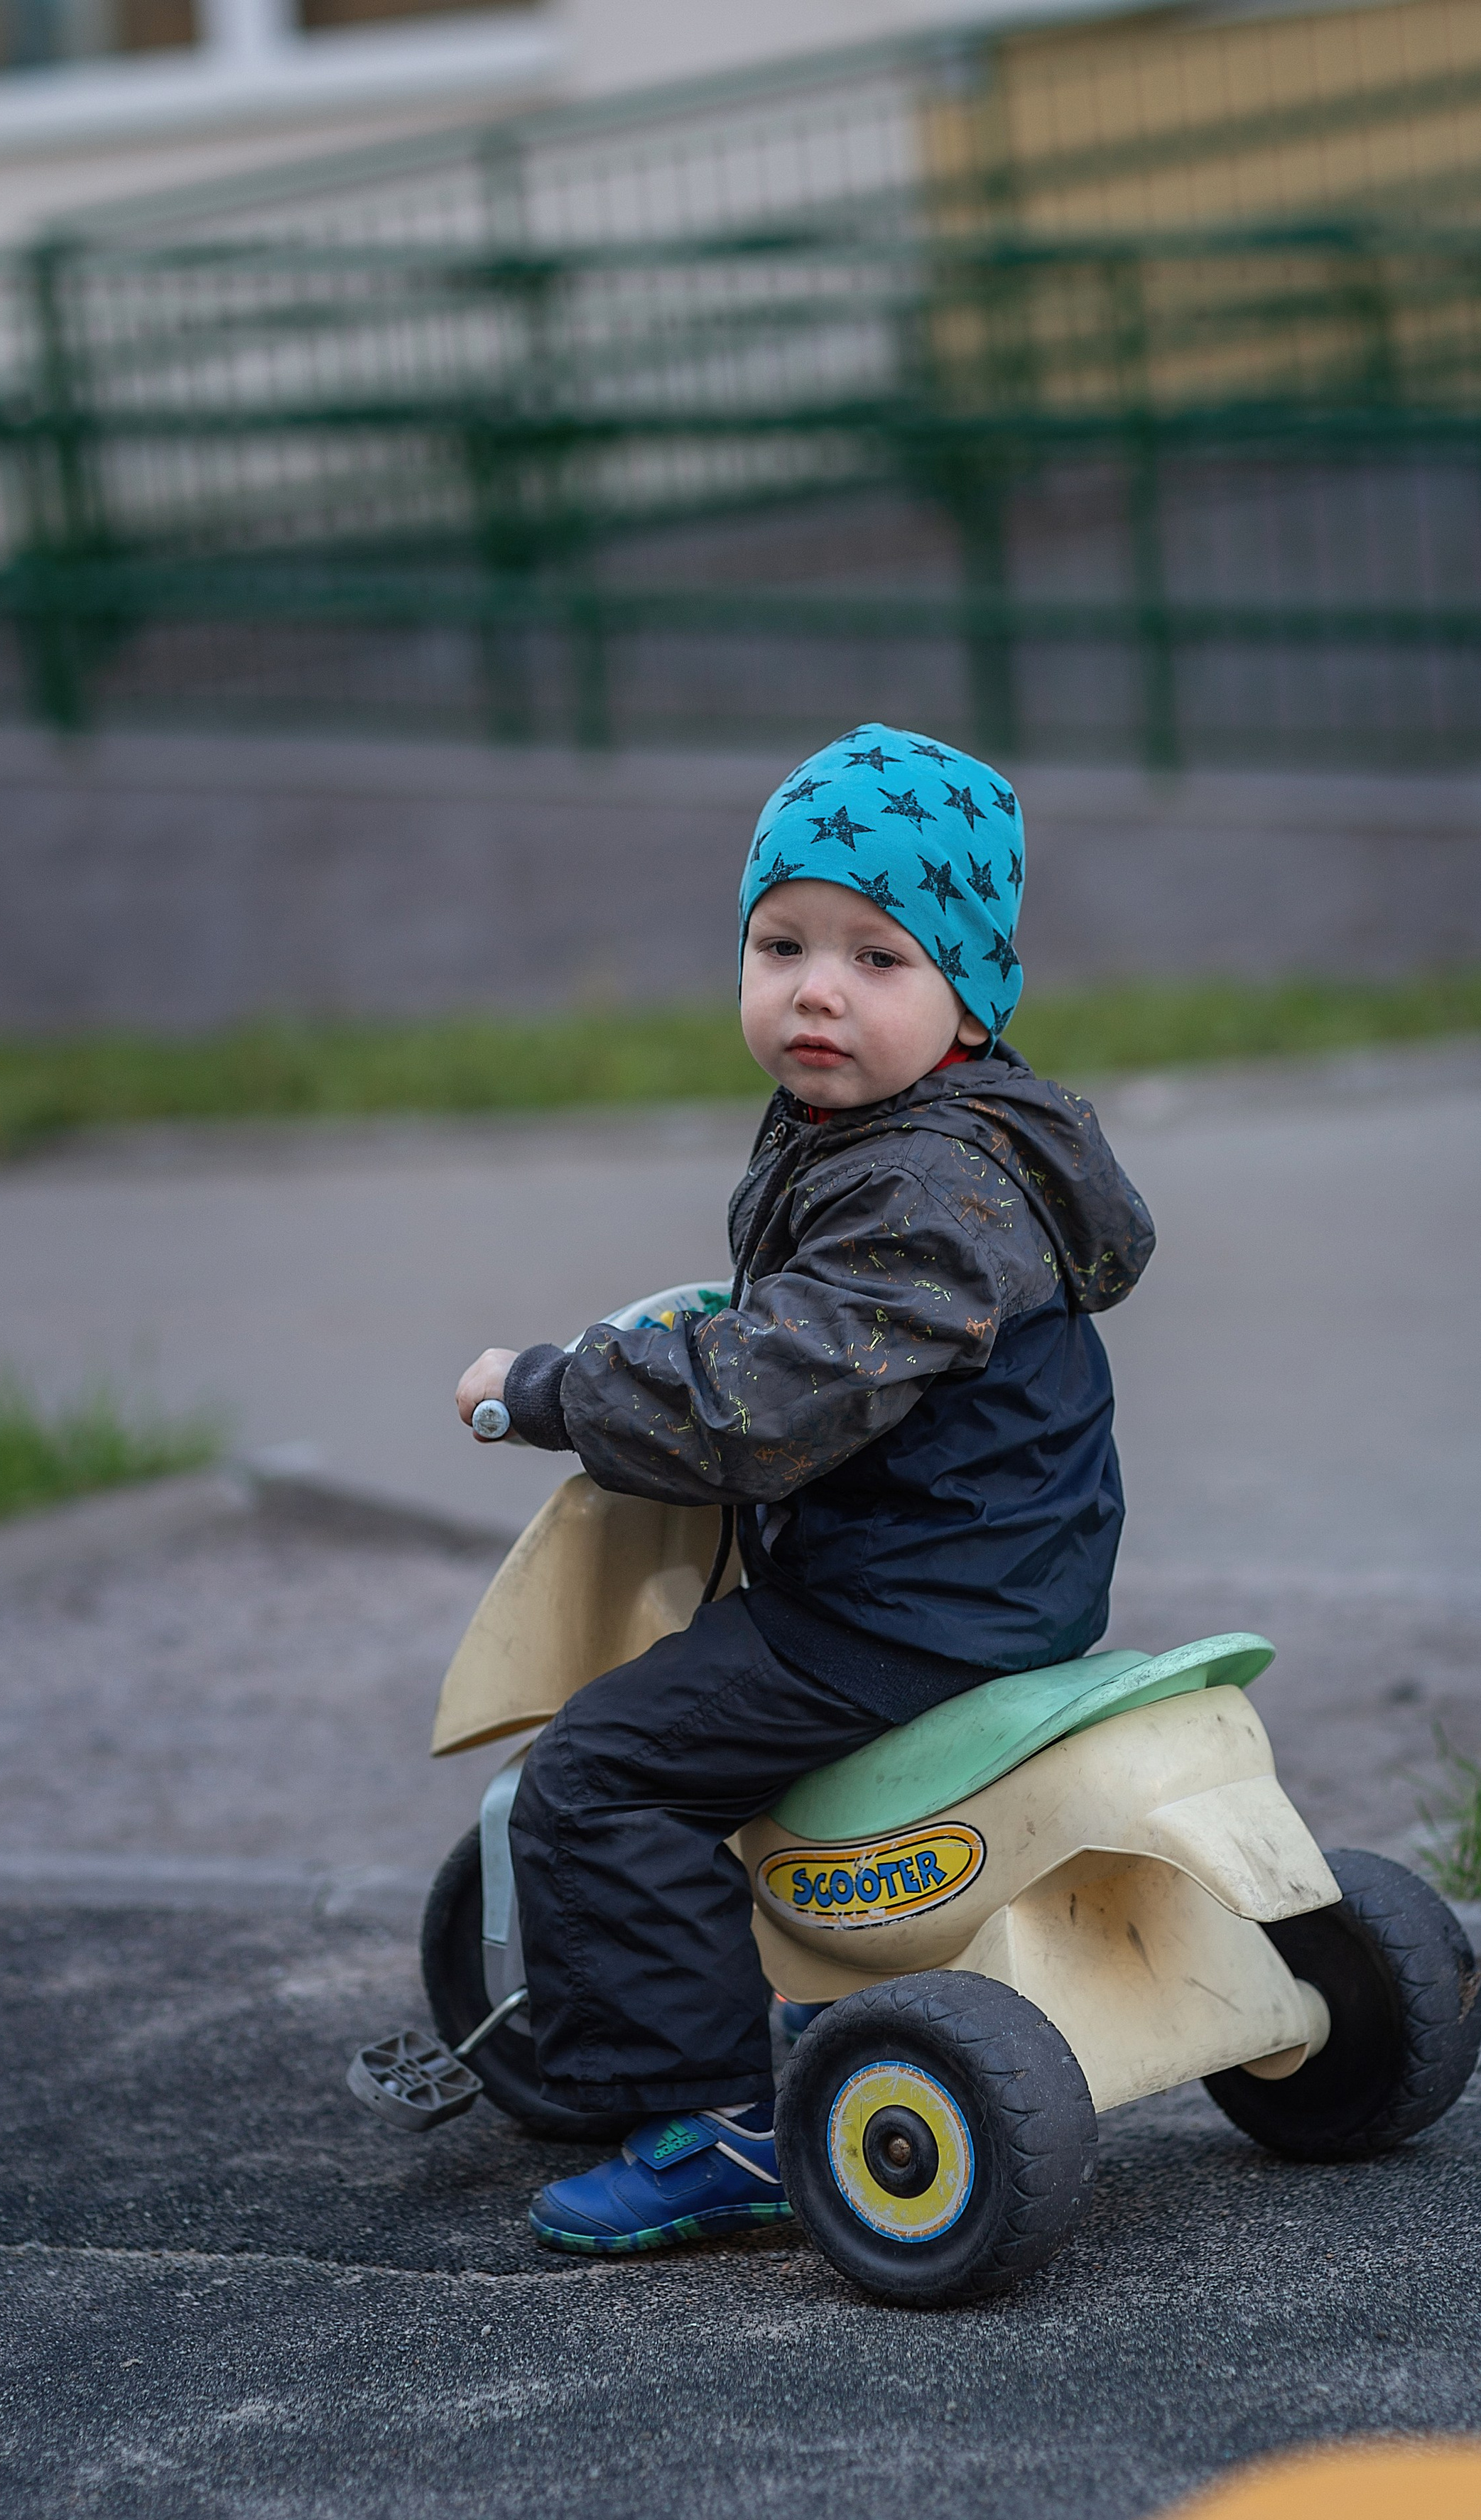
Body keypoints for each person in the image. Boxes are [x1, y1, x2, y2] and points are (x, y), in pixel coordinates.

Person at [452, 722, 1154, 2256]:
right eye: (780, 944)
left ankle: (714, 2124)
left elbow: (765, 1404)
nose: (814, 989)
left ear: (969, 998)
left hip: (901, 1606)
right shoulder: (932, 1140)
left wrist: (551, 1392)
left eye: (877, 957)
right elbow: (817, 1329)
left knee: (600, 1774)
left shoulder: (920, 1185)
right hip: (982, 1572)